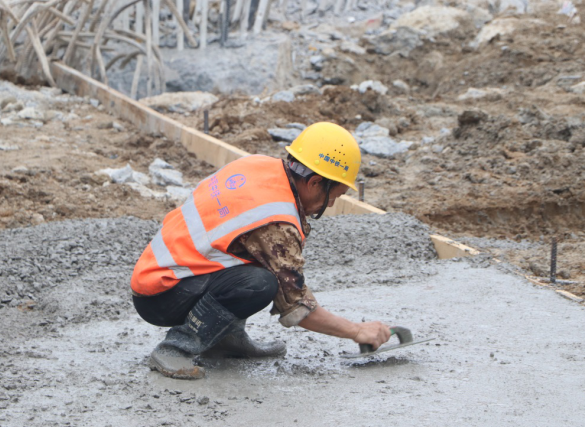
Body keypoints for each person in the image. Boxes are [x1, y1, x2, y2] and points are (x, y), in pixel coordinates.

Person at [131, 122, 392, 379]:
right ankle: (175, 348)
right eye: (333, 196)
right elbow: (296, 306)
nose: (332, 204)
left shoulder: (258, 166)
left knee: (258, 262)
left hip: (161, 272)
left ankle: (225, 339)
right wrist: (357, 331)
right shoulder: (276, 223)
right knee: (260, 283)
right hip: (162, 295)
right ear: (314, 183)